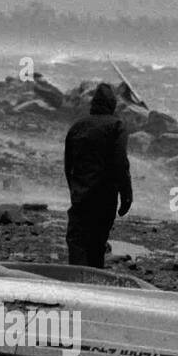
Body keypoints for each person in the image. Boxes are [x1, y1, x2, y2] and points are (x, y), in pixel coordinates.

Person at [64, 83, 132, 267]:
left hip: (81, 196)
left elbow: (68, 165)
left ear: (93, 103)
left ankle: (77, 284)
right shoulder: (117, 126)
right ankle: (93, 286)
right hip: (105, 197)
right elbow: (121, 163)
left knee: (77, 241)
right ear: (112, 104)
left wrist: (75, 191)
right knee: (97, 243)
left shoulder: (77, 127)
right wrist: (126, 195)